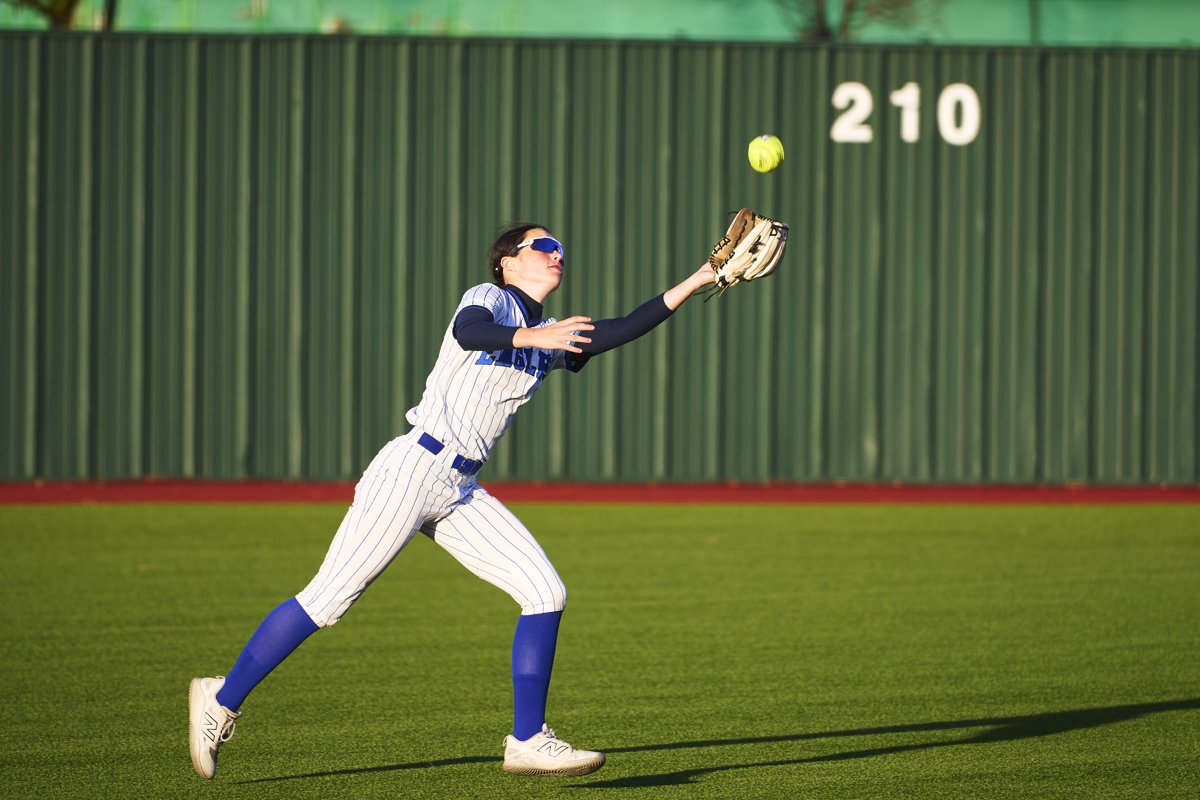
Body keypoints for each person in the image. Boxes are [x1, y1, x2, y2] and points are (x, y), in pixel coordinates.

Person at [188, 222, 717, 779]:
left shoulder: (552, 333)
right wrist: (530, 338)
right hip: (412, 468)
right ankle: (221, 698)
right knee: (329, 599)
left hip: (459, 489)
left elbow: (623, 328)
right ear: (509, 263)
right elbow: (470, 333)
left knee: (545, 592)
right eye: (544, 247)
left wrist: (703, 276)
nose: (557, 254)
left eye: (560, 248)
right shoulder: (489, 298)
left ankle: (528, 739)